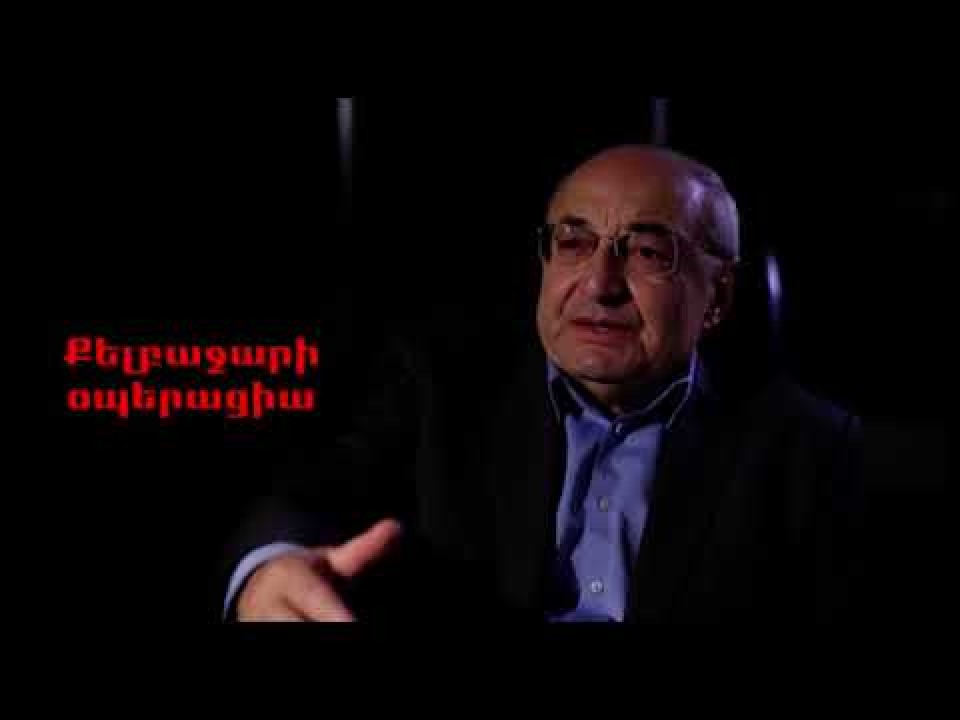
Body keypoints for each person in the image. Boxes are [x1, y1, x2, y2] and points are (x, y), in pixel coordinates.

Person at [222, 145, 863, 623]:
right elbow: (308, 494)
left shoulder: (808, 446)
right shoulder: (439, 388)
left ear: (717, 296)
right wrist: (266, 570)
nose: (600, 284)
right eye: (574, 243)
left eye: (646, 252)